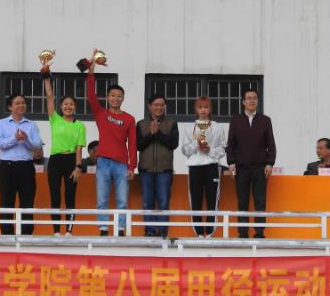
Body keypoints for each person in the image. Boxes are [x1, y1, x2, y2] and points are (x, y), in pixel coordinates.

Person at [86, 51, 137, 236]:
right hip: (103, 162)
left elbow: (132, 144)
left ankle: (121, 228)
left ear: (123, 98)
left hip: (121, 164)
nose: (116, 98)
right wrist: (91, 72)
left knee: (122, 200)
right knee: (102, 199)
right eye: (112, 95)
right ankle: (103, 228)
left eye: (119, 96)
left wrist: (132, 166)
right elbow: (90, 95)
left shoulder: (129, 119)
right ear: (107, 98)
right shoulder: (101, 114)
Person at [42, 62, 87, 236]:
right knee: (55, 196)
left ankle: (69, 230)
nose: (68, 107)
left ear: (75, 107)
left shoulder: (80, 125)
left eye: (71, 105)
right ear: (61, 107)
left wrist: (78, 167)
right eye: (65, 104)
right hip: (55, 160)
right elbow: (50, 97)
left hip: (71, 161)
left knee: (70, 197)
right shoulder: (55, 119)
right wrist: (46, 77)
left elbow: (79, 149)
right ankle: (56, 231)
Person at [225, 89, 276, 239]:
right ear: (243, 102)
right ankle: (243, 233)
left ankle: (259, 233)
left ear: (257, 101)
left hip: (260, 167)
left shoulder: (265, 120)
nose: (252, 101)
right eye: (248, 98)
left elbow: (271, 144)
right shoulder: (236, 120)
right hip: (241, 167)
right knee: (242, 201)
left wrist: (270, 163)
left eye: (254, 98)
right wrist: (231, 163)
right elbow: (231, 144)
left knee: (260, 201)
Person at [0, 94, 44, 235]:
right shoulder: (1, 124)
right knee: (6, 202)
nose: (21, 105)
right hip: (7, 166)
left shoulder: (31, 124)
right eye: (17, 103)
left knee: (27, 202)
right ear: (10, 107)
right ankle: (6, 235)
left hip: (26, 166)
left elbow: (37, 144)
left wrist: (26, 139)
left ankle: (26, 234)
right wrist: (14, 138)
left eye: (23, 103)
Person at [181, 96, 228, 238]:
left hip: (212, 166)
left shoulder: (218, 127)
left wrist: (210, 150)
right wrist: (196, 144)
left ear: (210, 109)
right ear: (196, 109)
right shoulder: (189, 128)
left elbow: (223, 149)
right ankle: (199, 232)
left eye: (206, 107)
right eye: (200, 107)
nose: (203, 110)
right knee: (195, 199)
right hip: (195, 166)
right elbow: (185, 150)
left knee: (212, 199)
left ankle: (210, 231)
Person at [136, 93, 179, 238]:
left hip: (164, 170)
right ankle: (149, 231)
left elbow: (173, 144)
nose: (158, 108)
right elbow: (139, 145)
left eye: (161, 105)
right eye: (155, 105)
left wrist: (158, 133)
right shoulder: (141, 124)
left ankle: (162, 232)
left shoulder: (171, 123)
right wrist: (151, 134)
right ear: (149, 106)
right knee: (147, 202)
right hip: (146, 170)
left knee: (163, 202)